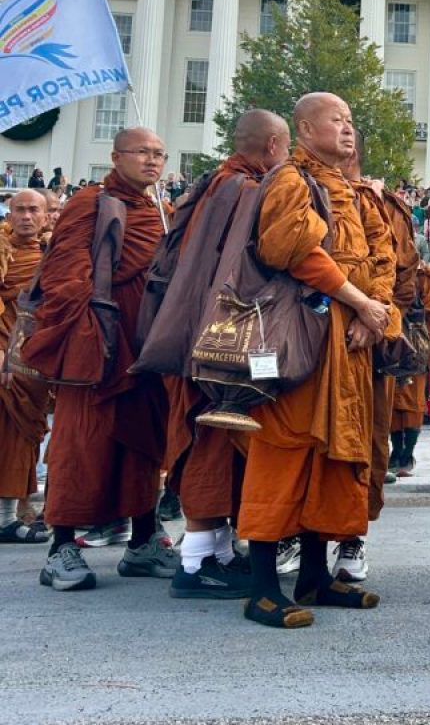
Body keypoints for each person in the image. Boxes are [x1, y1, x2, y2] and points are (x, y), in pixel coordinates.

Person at [236, 93, 389, 629]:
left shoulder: (350, 188)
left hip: (349, 340)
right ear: (304, 128)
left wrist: (376, 314)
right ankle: (260, 588)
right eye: (336, 120)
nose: (348, 129)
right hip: (302, 340)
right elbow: (294, 251)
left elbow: (380, 254)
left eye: (351, 120)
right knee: (283, 450)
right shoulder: (290, 180)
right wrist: (359, 302)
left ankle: (315, 577)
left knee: (332, 454)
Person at [22, 129, 177, 590]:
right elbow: (65, 276)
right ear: (116, 157)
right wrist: (90, 338)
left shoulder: (157, 212)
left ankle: (144, 541)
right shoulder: (90, 203)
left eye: (159, 155)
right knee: (81, 443)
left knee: (143, 442)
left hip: (145, 344)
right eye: (143, 153)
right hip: (98, 343)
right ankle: (61, 547)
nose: (152, 162)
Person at [160, 110, 290, 600]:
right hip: (216, 340)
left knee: (216, 444)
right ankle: (194, 566)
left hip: (200, 327)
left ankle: (216, 554)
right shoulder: (243, 191)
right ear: (275, 144)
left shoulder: (218, 184)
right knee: (209, 443)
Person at [334, 128, 404, 583]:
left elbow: (391, 263)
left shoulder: (375, 205)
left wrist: (371, 314)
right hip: (312, 334)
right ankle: (296, 535)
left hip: (369, 340)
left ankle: (352, 539)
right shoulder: (293, 188)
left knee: (366, 442)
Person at [0, 190, 50, 543]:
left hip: (31, 359)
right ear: (9, 213)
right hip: (1, 353)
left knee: (23, 435)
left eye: (34, 210)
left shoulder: (53, 256)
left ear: (46, 216)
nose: (26, 217)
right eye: (19, 209)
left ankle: (8, 517)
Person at [390, 261, 430, 477]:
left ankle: (407, 453)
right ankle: (396, 452)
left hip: (416, 346)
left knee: (413, 403)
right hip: (389, 342)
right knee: (393, 403)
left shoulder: (423, 275)